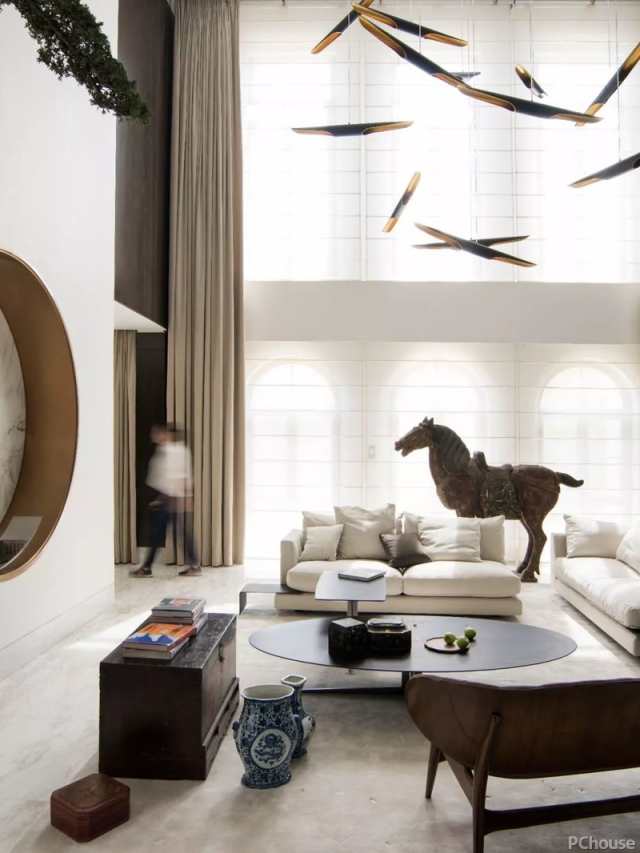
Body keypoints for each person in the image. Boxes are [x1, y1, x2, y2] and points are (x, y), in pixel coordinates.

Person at [130, 423, 201, 578]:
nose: (154, 436)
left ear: (166, 434)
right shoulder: (162, 451)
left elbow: (184, 476)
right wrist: (160, 498)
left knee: (174, 534)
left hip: (174, 499)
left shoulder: (178, 451)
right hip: (167, 499)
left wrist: (185, 498)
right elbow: (163, 478)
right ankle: (148, 567)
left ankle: (148, 568)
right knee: (161, 534)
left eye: (157, 433)